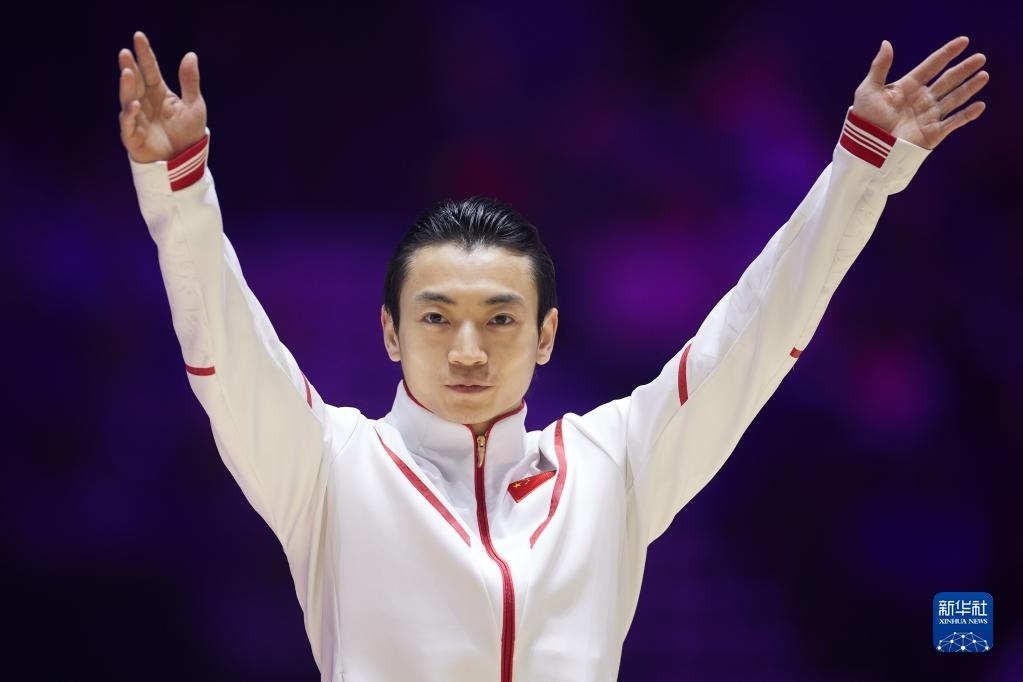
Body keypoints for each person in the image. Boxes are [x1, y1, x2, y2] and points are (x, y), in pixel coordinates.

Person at [118, 30, 988, 681]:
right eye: (435, 318)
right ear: (388, 333)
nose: (467, 349)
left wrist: (860, 169)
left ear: (545, 337)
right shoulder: (327, 467)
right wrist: (178, 188)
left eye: (499, 320)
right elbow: (225, 346)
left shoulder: (614, 463)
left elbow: (755, 335)